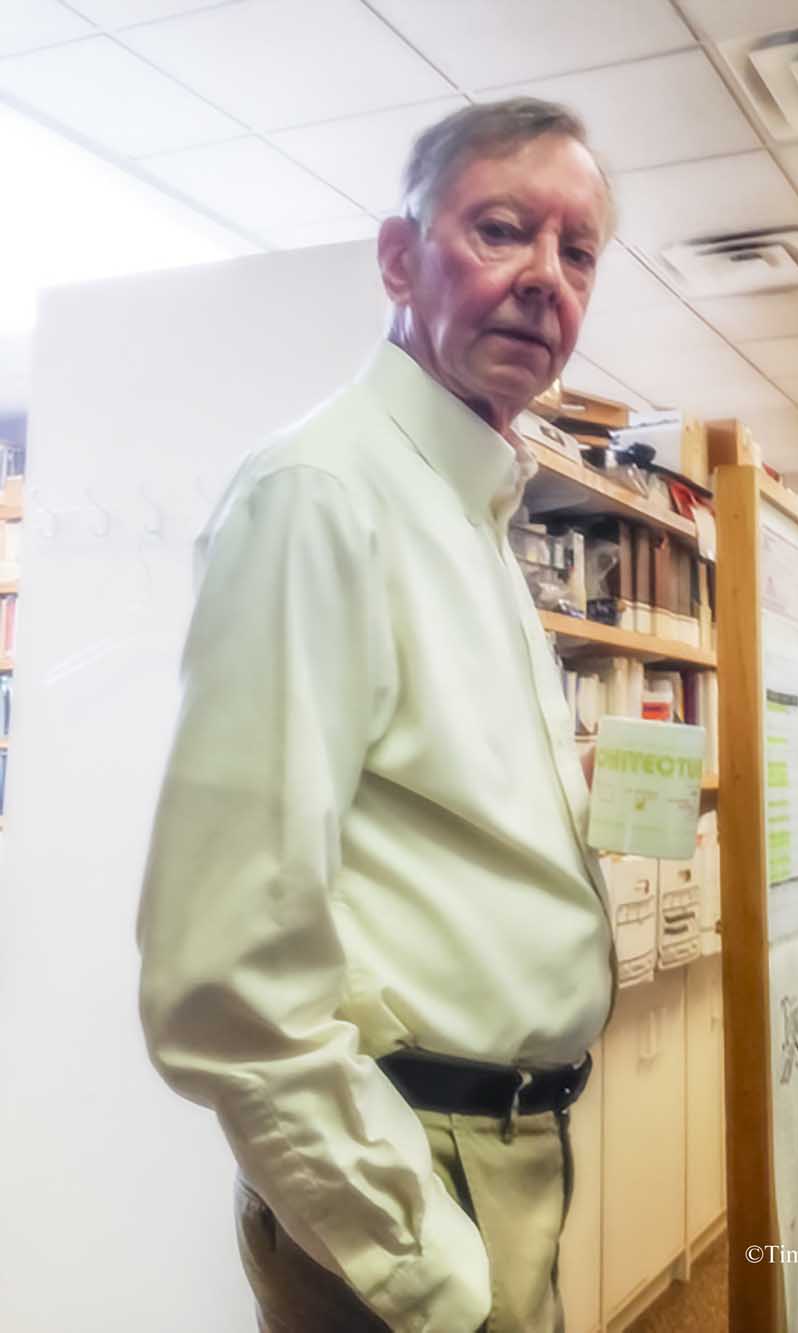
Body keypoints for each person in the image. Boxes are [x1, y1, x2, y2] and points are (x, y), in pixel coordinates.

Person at [138, 97, 616, 1333]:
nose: (544, 277)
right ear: (399, 260)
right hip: (410, 1169)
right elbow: (224, 970)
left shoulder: (469, 507)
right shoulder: (320, 493)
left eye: (577, 252)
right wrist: (421, 1266)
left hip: (500, 1150)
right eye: (501, 229)